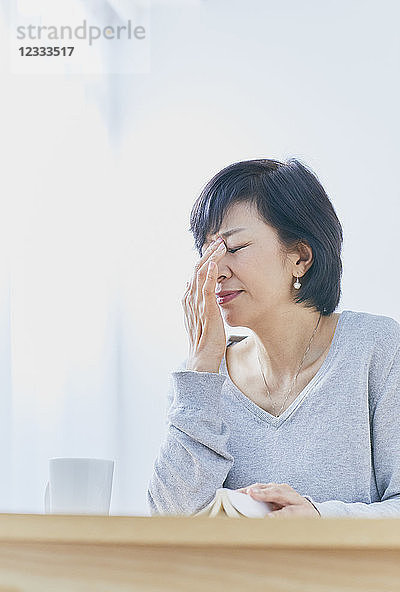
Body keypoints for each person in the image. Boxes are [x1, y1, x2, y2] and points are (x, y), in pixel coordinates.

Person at [147, 158, 400, 518]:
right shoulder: (199, 383)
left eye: (232, 248)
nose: (215, 270)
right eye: (207, 252)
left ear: (300, 257)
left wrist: (318, 519)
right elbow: (170, 520)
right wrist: (201, 368)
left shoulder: (377, 349)